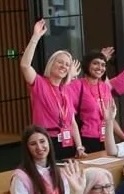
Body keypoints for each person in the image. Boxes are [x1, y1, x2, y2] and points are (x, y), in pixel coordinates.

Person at [20, 20, 81, 160]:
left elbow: (72, 122)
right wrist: (35, 37)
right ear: (51, 63)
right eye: (60, 62)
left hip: (68, 142)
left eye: (67, 65)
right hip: (45, 142)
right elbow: (25, 65)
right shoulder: (40, 83)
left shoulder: (66, 89)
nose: (64, 66)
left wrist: (79, 147)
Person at [10, 126, 70, 194]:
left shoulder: (59, 172)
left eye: (42, 141)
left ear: (49, 143)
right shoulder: (20, 177)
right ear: (27, 148)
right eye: (33, 144)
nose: (39, 147)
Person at [74, 51, 120, 154]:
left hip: (107, 137)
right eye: (95, 63)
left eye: (103, 64)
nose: (100, 67)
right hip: (86, 139)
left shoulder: (105, 87)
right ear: (87, 65)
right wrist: (79, 146)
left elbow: (110, 118)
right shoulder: (77, 85)